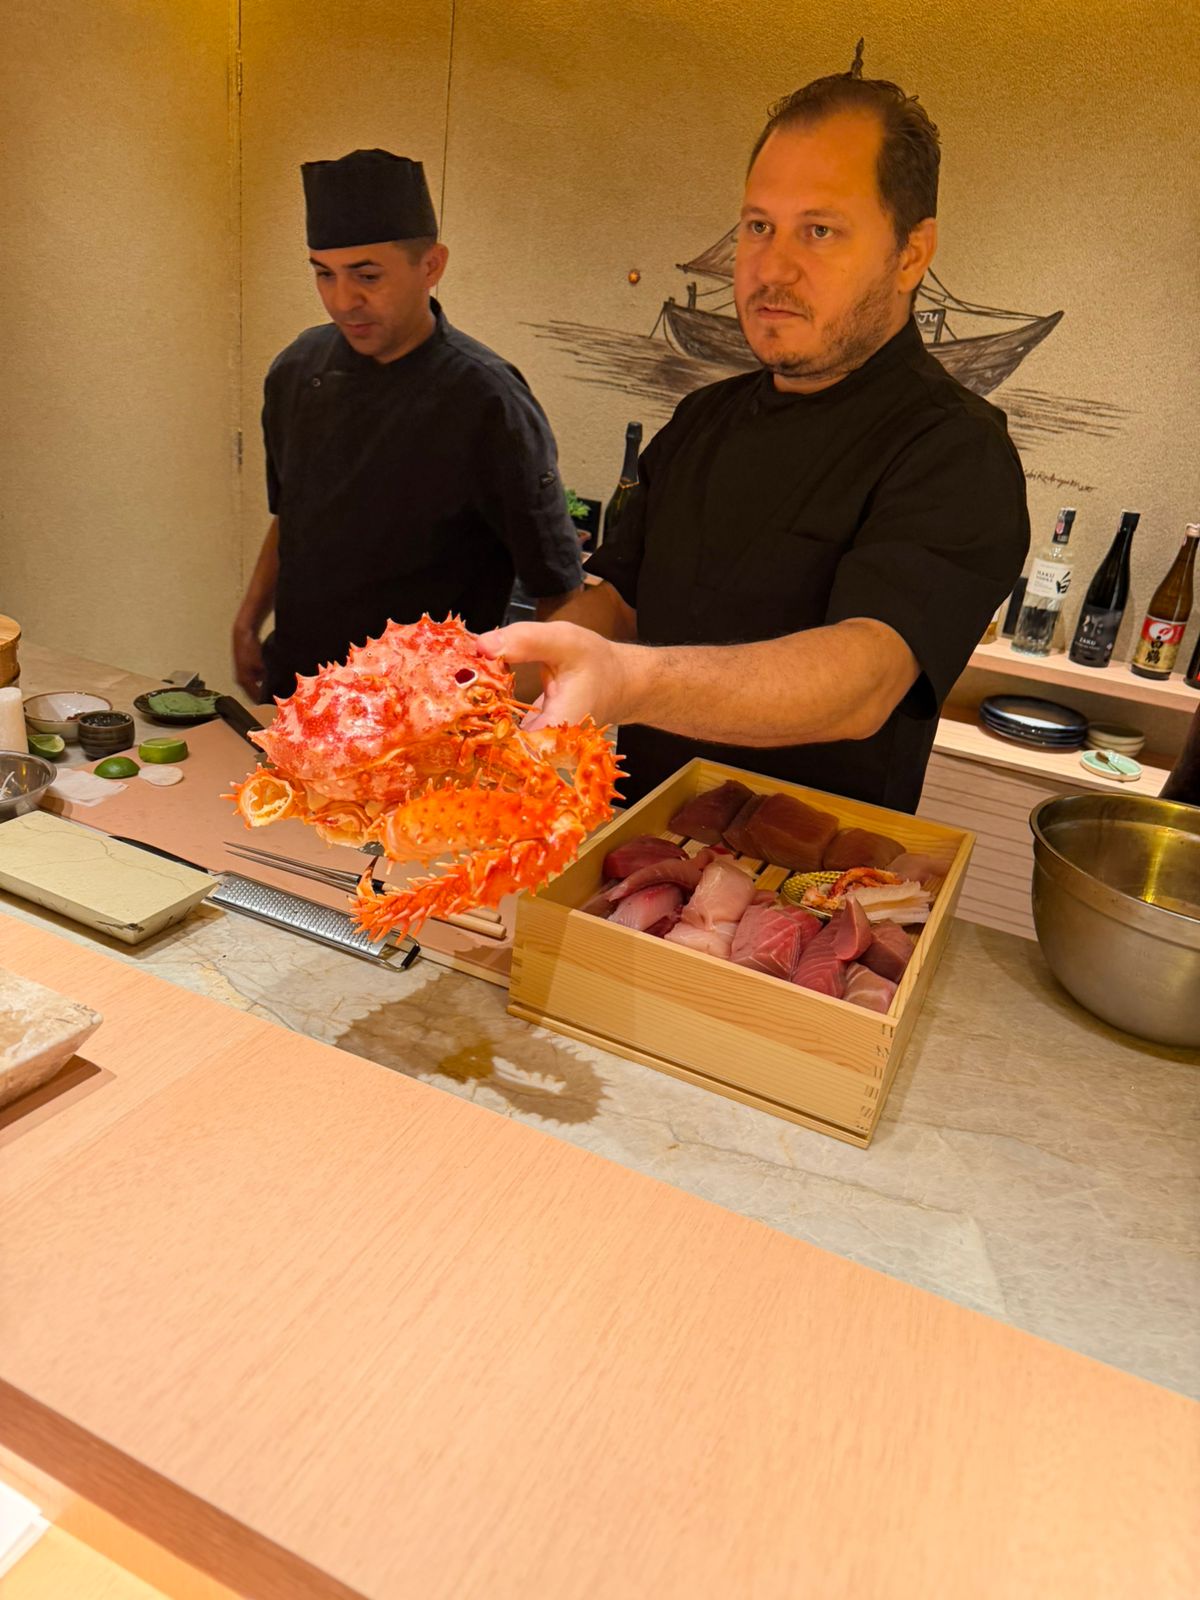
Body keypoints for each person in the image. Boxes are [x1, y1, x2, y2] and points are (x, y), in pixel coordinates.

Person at [481, 71, 1030, 812]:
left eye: (820, 230)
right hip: (636, 841)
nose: (771, 268)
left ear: (911, 253)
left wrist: (629, 681)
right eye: (759, 226)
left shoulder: (956, 449)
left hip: (814, 868)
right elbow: (619, 605)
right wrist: (477, 678)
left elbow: (864, 681)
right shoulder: (702, 419)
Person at [233, 149, 583, 702]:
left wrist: (533, 710)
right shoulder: (296, 370)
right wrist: (249, 619)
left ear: (431, 266)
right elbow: (290, 516)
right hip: (300, 689)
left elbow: (556, 587)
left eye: (367, 276)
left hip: (423, 712)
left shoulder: (488, 399)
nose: (343, 301)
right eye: (324, 274)